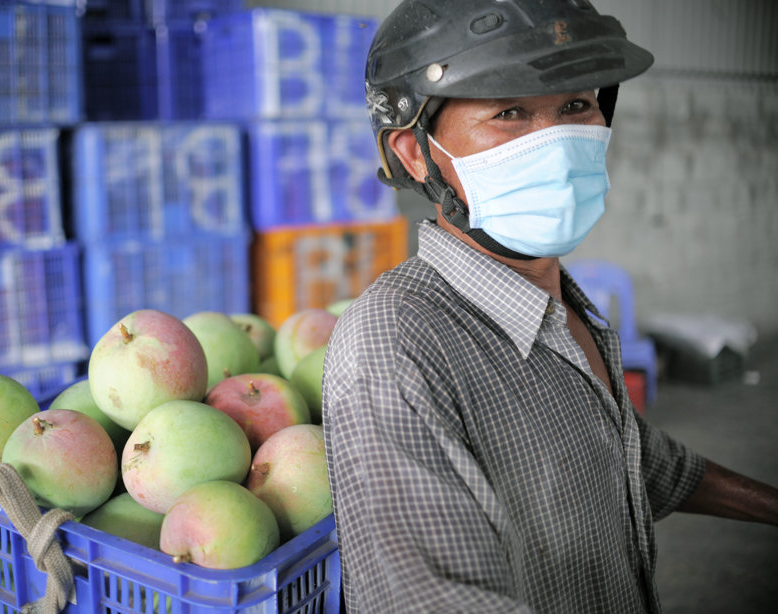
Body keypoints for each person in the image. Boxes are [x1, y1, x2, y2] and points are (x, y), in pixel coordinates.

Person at [321, 1, 778, 612]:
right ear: (412, 152)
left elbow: (625, 456)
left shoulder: (560, 302)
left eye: (575, 106)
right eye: (509, 112)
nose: (558, 144)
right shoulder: (396, 342)